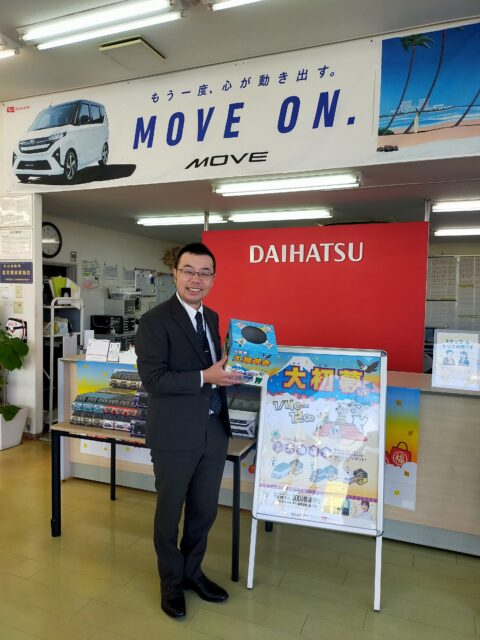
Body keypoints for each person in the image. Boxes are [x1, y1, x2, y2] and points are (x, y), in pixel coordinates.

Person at [135, 242, 245, 619]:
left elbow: (213, 369)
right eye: (189, 271)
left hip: (213, 429)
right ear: (175, 274)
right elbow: (153, 379)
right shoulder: (155, 321)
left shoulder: (212, 317)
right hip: (174, 434)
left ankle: (192, 572)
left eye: (204, 273)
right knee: (170, 513)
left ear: (213, 279)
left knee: (204, 510)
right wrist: (205, 376)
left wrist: (229, 373)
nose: (196, 279)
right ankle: (170, 581)